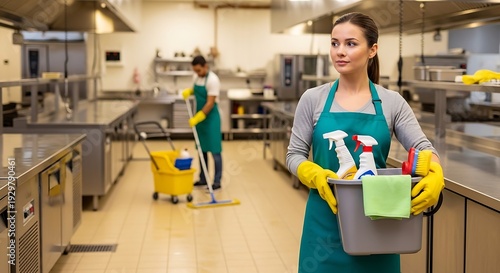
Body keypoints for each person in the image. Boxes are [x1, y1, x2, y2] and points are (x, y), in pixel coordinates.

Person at [286, 12, 444, 272]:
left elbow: (424, 149)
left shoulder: (392, 102)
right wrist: (309, 171)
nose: (340, 51)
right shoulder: (312, 99)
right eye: (335, 43)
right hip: (325, 224)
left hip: (378, 224)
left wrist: (436, 172)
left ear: (372, 50)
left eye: (351, 43)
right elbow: (294, 154)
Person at [182, 55, 223, 191]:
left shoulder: (213, 80)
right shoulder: (196, 76)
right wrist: (190, 91)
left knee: (215, 151)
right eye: (195, 71)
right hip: (200, 118)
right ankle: (203, 178)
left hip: (210, 118)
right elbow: (196, 88)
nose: (197, 73)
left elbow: (210, 102)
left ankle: (217, 181)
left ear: (205, 66)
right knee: (201, 149)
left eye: (199, 70)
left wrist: (199, 117)